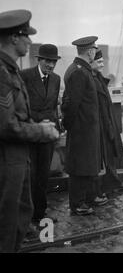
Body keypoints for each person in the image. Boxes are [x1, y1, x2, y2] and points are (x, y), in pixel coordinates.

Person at [0, 9, 59, 252]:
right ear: (14, 38)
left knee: (17, 223)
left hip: (16, 161)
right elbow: (6, 125)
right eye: (26, 35)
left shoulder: (9, 70)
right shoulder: (3, 73)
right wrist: (41, 131)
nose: (30, 41)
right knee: (6, 229)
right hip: (7, 163)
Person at [61, 36, 107, 216]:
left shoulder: (79, 69)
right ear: (90, 51)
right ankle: (77, 203)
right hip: (82, 130)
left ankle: (86, 198)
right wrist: (70, 125)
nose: (95, 51)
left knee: (87, 165)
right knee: (80, 167)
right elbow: (72, 105)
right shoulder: (80, 72)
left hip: (86, 129)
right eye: (94, 49)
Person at [20, 44, 61, 225]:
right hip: (31, 133)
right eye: (47, 61)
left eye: (53, 62)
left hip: (47, 136)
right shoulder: (25, 76)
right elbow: (21, 106)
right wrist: (36, 124)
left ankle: (40, 213)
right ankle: (26, 217)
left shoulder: (56, 79)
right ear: (39, 60)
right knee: (30, 175)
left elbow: (53, 107)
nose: (50, 65)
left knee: (44, 175)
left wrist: (56, 129)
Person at [91, 49, 123, 194]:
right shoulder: (93, 80)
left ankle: (113, 181)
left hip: (107, 121)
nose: (102, 64)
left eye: (102, 61)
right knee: (103, 156)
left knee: (110, 153)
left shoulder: (99, 78)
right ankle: (104, 186)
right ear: (91, 62)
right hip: (99, 123)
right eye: (99, 61)